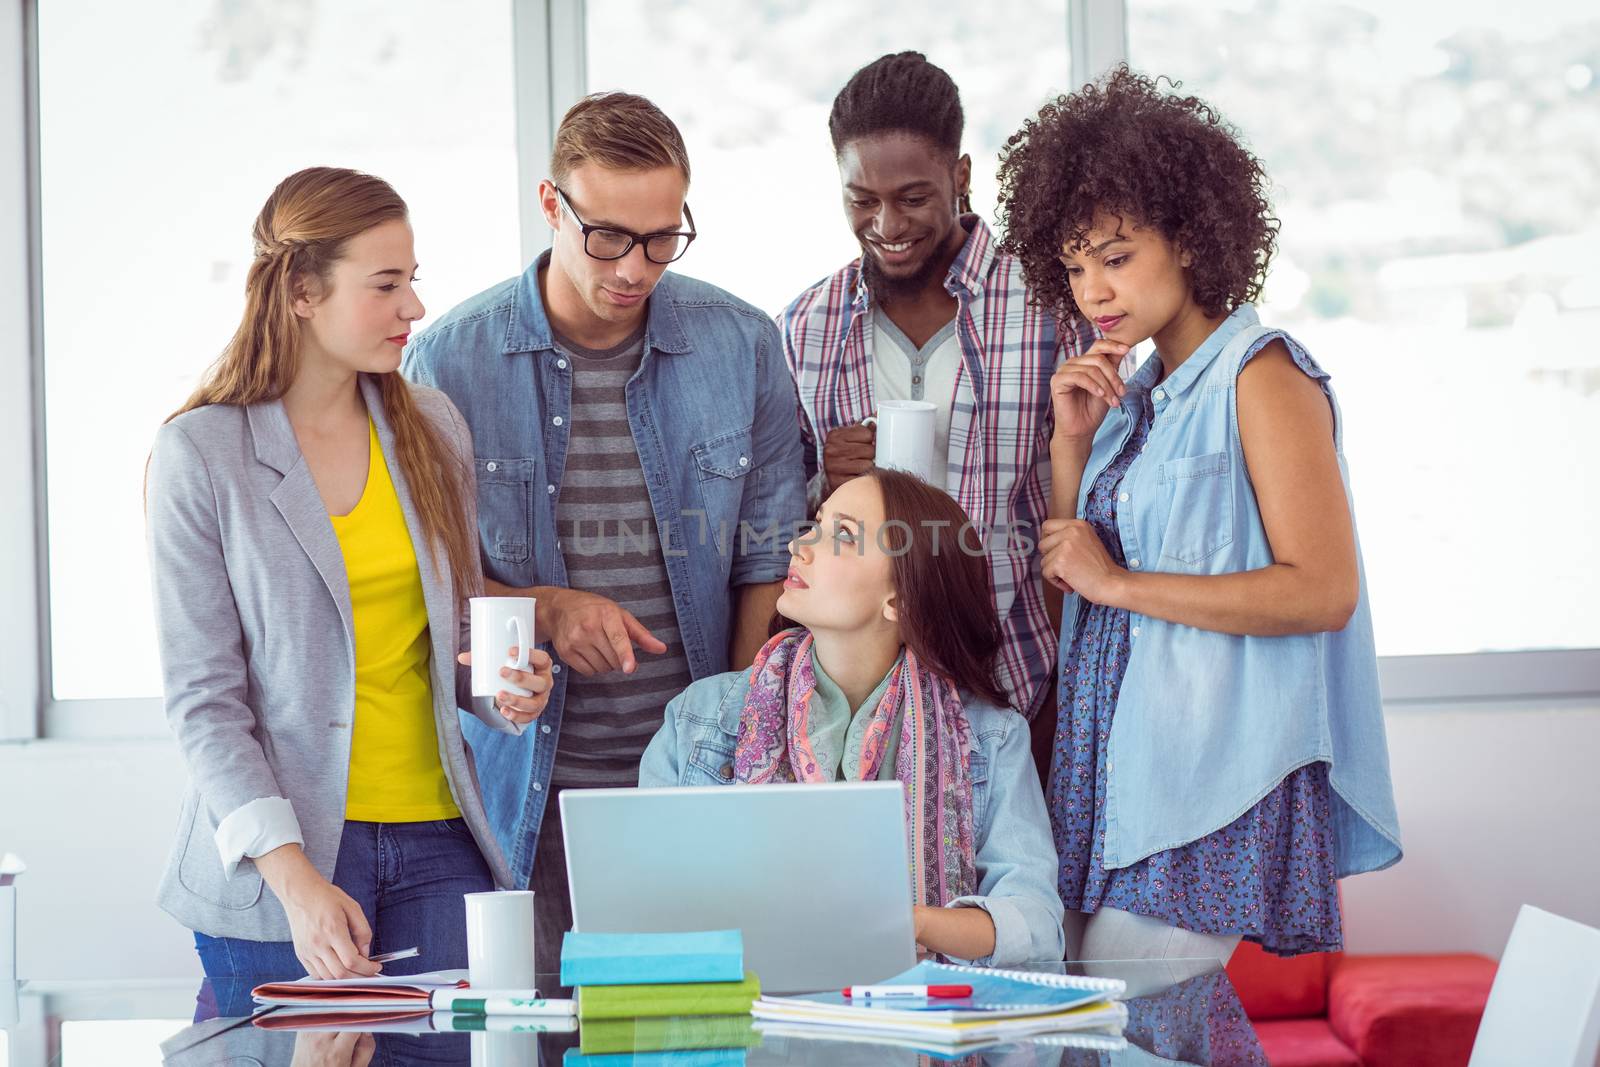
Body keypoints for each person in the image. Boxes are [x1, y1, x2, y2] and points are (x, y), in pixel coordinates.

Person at [995, 68, 1401, 960]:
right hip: (1107, 767)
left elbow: (1323, 591)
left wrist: (1122, 580)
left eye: (1115, 255)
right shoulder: (1132, 402)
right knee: (1096, 1037)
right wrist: (1069, 450)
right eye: (1073, 266)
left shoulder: (1264, 375)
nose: (1093, 290)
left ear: (1189, 236)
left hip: (1210, 772)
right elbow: (1078, 602)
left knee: (1136, 1034)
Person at [403, 92, 806, 972]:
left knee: (708, 1032)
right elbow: (429, 585)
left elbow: (769, 558)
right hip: (531, 796)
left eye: (663, 238)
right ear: (552, 205)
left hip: (700, 787)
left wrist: (731, 728)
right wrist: (545, 610)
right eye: (609, 237)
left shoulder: (741, 343)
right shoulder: (446, 363)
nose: (636, 267)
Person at [146, 167, 553, 984]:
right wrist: (297, 882)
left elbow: (450, 639)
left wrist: (505, 689)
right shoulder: (201, 453)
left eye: (413, 280)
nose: (415, 307)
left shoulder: (433, 427)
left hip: (441, 840)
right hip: (280, 861)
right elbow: (205, 702)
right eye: (386, 284)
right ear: (302, 292)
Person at [780, 52, 1102, 727]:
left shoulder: (1050, 303)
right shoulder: (805, 326)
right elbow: (787, 526)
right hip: (865, 701)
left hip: (1025, 682)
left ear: (960, 177)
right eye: (861, 199)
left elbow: (1100, 500)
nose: (888, 226)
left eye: (913, 197)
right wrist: (826, 485)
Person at [640, 468, 1065, 967]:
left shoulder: (991, 736)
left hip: (914, 1031)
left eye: (841, 534)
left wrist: (909, 922)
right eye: (816, 523)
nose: (801, 544)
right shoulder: (699, 718)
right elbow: (643, 910)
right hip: (746, 1031)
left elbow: (1036, 925)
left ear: (900, 599)